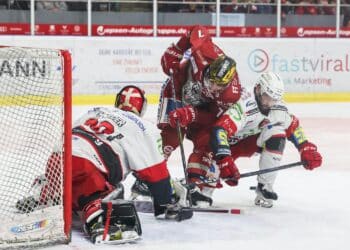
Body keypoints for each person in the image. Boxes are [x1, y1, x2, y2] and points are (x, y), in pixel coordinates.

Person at [16, 85, 193, 244]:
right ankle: (96, 214)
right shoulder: (144, 128)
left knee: (74, 180)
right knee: (108, 194)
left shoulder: (94, 110)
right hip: (88, 167)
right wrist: (165, 203)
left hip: (57, 160)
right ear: (142, 107)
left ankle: (48, 192)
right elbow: (157, 177)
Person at [205, 71, 323, 208]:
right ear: (258, 88)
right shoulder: (244, 103)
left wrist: (306, 148)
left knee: (277, 133)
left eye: (274, 99)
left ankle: (265, 186)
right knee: (201, 196)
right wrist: (224, 160)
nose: (269, 103)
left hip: (248, 142)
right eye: (267, 97)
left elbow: (293, 126)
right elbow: (220, 131)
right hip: (222, 145)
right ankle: (205, 188)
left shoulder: (277, 106)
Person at [157, 25, 242, 205]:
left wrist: (192, 114)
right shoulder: (203, 51)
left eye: (218, 86)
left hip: (202, 110)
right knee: (171, 137)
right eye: (210, 81)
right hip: (178, 89)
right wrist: (177, 50)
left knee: (207, 141)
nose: (211, 88)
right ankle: (147, 179)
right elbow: (196, 29)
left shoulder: (231, 95)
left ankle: (193, 183)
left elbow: (213, 119)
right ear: (209, 68)